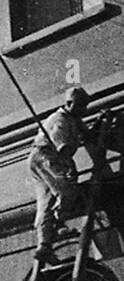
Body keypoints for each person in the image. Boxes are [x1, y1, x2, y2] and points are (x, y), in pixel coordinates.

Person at [28, 87, 108, 262]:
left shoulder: (74, 118)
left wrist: (100, 121)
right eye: (81, 106)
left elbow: (88, 135)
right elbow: (63, 149)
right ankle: (58, 223)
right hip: (45, 157)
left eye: (85, 106)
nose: (84, 110)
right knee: (66, 190)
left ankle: (44, 245)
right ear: (69, 103)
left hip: (44, 159)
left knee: (46, 203)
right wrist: (71, 169)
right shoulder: (60, 120)